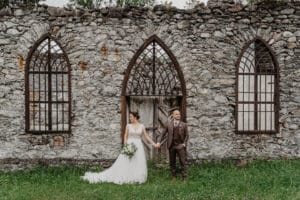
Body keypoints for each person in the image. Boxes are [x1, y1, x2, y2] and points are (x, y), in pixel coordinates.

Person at [81, 111, 158, 184]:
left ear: (135, 117)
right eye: (129, 117)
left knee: (137, 161)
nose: (130, 118)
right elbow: (125, 135)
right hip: (129, 144)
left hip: (138, 146)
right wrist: (126, 145)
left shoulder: (141, 126)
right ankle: (126, 175)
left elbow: (146, 137)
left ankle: (136, 177)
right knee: (126, 161)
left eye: (131, 117)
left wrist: (154, 144)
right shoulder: (128, 126)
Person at [157, 109, 189, 183]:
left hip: (180, 146)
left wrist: (184, 144)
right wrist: (159, 142)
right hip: (171, 145)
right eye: (177, 114)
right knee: (172, 162)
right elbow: (163, 134)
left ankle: (184, 177)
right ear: (173, 115)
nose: (178, 115)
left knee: (182, 161)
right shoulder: (168, 124)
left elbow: (187, 136)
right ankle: (174, 176)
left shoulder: (184, 124)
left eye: (179, 114)